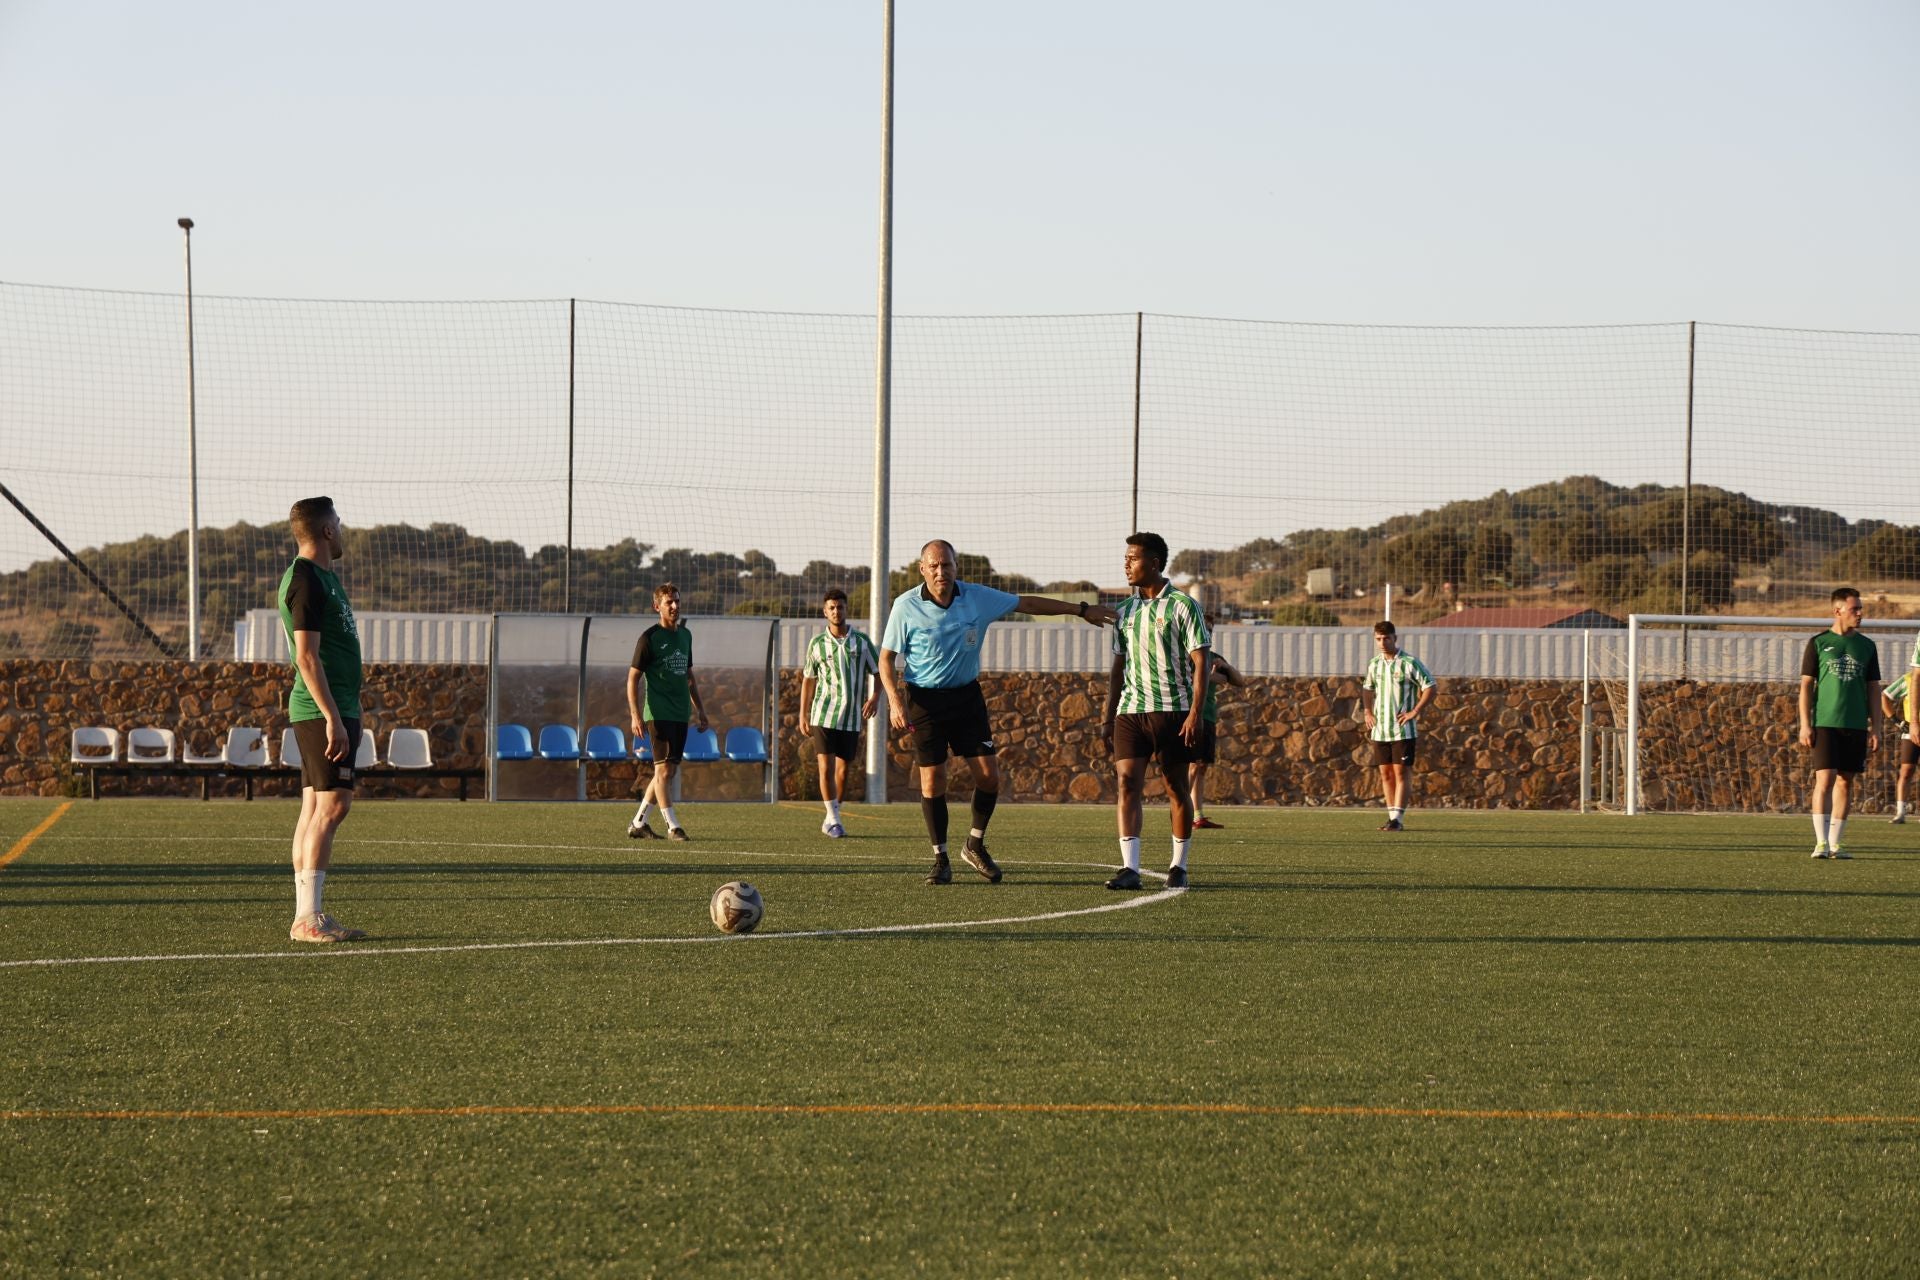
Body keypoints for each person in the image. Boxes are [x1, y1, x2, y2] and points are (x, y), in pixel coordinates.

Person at [879, 539, 1115, 884]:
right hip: (924, 701)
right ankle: (940, 858)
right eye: (934, 566)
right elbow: (886, 659)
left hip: (966, 699)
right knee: (933, 780)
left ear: (956, 567)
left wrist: (1080, 609)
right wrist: (895, 701)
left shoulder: (977, 597)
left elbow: (1028, 602)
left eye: (947, 565)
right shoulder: (905, 606)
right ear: (922, 569)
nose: (941, 572)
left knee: (989, 777)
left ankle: (974, 844)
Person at [277, 496, 366, 943]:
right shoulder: (307, 580)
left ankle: (306, 915)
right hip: (320, 710)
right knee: (333, 806)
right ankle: (307, 919)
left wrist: (351, 708)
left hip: (336, 707)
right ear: (327, 530)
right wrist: (332, 716)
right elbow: (306, 658)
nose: (342, 527)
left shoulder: (325, 578)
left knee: (315, 807)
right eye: (338, 522)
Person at [1100, 533, 1210, 890]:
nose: (1126, 564)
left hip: (1173, 711)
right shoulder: (1124, 611)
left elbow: (1201, 662)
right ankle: (1130, 868)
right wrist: (1108, 715)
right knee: (1127, 783)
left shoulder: (1182, 605)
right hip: (1131, 712)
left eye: (1133, 558)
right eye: (1125, 557)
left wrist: (1195, 713)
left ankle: (1179, 866)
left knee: (1176, 788)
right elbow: (1118, 668)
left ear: (1155, 564)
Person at [1800, 586, 1882, 858]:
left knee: (1846, 782)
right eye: (1854, 608)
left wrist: (1876, 727)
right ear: (1837, 611)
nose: (1860, 613)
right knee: (1824, 779)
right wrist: (1805, 723)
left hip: (1856, 724)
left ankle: (1836, 843)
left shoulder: (1867, 646)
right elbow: (1806, 687)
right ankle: (1820, 842)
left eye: (1860, 608)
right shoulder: (1819, 643)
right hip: (1825, 722)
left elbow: (1873, 688)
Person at [626, 583, 710, 842]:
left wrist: (701, 710)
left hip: (680, 713)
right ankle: (673, 826)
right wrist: (635, 715)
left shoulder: (685, 636)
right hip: (658, 713)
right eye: (668, 602)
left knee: (667, 772)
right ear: (657, 607)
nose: (674, 606)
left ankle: (639, 823)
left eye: (676, 601)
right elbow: (632, 679)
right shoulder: (648, 639)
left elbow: (688, 676)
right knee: (663, 772)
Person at [800, 587, 879, 838]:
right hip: (822, 714)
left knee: (843, 771)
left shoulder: (862, 642)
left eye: (840, 607)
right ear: (825, 612)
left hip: (852, 717)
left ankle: (833, 814)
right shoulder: (817, 644)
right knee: (825, 766)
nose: (836, 611)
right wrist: (803, 714)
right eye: (832, 608)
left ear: (846, 609)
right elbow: (808, 680)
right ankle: (833, 819)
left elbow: (879, 673)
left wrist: (875, 697)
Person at [1362, 619, 1436, 832]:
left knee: (1401, 772)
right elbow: (1367, 689)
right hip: (1380, 730)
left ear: (1395, 638)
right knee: (1385, 774)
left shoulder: (1410, 662)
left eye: (1386, 638)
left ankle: (1398, 819)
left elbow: (1430, 686)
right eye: (1378, 639)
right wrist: (1368, 711)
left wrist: (1415, 711)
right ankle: (1391, 817)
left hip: (1403, 728)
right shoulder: (1374, 664)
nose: (1383, 642)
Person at [1189, 613, 1245, 830]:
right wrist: (1211, 678)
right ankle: (1180, 811)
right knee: (1192, 766)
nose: (1208, 633)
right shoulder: (1185, 656)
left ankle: (1197, 815)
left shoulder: (1214, 657)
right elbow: (1185, 679)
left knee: (1201, 767)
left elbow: (1238, 681)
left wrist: (1226, 669)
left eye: (1210, 630)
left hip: (1208, 717)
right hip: (1190, 716)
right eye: (1205, 629)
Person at [1880, 673, 1913, 823]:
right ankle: (1900, 813)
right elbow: (1885, 696)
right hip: (1912, 734)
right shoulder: (1909, 679)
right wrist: (1897, 721)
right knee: (1906, 771)